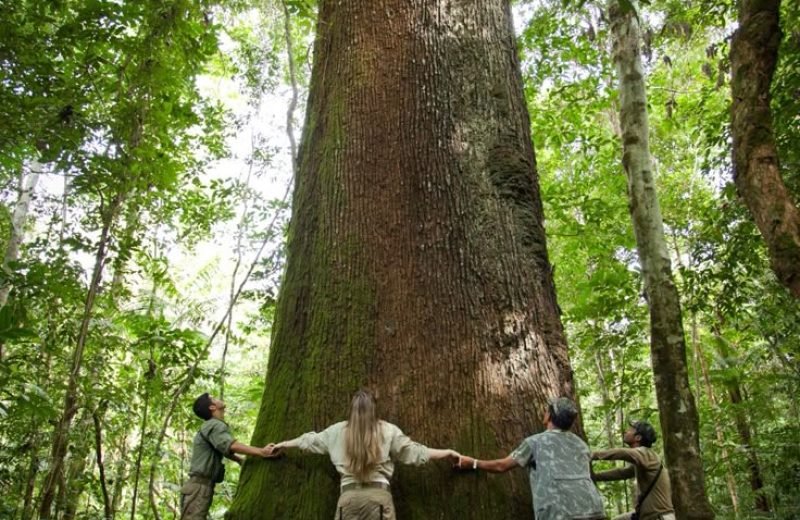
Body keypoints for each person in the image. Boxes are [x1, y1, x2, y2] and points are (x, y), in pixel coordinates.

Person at [267, 389, 461, 520]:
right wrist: (447, 452)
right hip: (378, 498)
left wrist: (283, 444)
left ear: (351, 409)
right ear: (374, 409)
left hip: (347, 500)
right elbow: (415, 452)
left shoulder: (336, 431)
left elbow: (308, 441)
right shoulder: (387, 430)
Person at [456, 397, 605, 520]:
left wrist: (473, 463)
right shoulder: (581, 444)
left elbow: (501, 466)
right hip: (593, 508)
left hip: (560, 513)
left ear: (549, 416)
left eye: (547, 410)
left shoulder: (535, 442)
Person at [181, 393, 272, 520]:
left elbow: (221, 448)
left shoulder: (211, 425)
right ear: (212, 407)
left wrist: (239, 460)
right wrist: (262, 452)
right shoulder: (215, 424)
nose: (217, 398)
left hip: (198, 486)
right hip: (199, 487)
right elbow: (231, 446)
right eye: (213, 398)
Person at [591, 420, 675, 520]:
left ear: (638, 438)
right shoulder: (643, 461)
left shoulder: (646, 453)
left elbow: (623, 453)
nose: (626, 431)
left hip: (660, 517)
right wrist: (594, 476)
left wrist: (592, 455)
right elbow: (621, 473)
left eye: (630, 430)